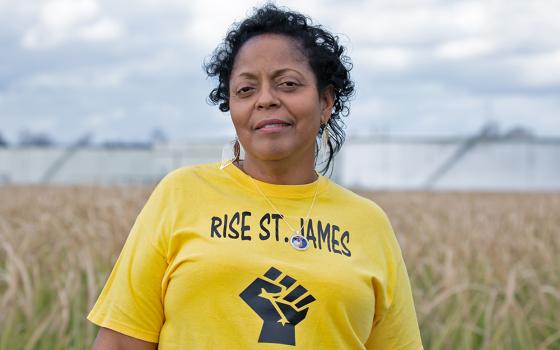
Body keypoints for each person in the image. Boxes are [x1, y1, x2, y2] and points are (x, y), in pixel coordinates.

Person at [88, 4, 423, 349]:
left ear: (325, 102)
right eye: (246, 90)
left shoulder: (368, 223)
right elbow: (120, 342)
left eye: (288, 84)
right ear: (231, 106)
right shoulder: (180, 194)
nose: (265, 100)